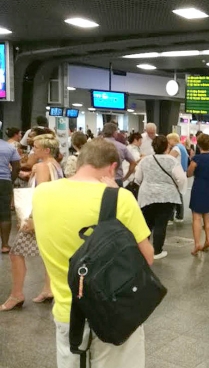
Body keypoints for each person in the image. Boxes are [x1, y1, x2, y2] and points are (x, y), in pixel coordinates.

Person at [33, 138, 153, 367]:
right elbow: (146, 258)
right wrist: (117, 194)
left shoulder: (42, 194)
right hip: (113, 312)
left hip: (67, 311)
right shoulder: (120, 198)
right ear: (112, 168)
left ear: (80, 161)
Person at [1, 134, 63, 311]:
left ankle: (17, 295)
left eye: (35, 147)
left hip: (39, 217)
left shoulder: (42, 166)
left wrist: (32, 218)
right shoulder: (54, 165)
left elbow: (41, 192)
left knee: (16, 253)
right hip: (51, 216)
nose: (32, 150)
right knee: (47, 253)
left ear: (46, 150)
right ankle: (48, 289)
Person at [135, 136, 186, 260]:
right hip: (166, 196)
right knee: (160, 224)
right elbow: (181, 178)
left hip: (147, 195)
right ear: (167, 146)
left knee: (146, 224)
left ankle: (143, 249)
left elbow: (137, 178)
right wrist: (179, 190)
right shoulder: (172, 161)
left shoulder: (145, 160)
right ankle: (157, 251)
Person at [0, 135, 20, 254]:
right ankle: (5, 245)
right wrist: (10, 179)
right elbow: (17, 167)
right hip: (4, 182)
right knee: (5, 213)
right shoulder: (9, 147)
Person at [102, 122, 136, 187]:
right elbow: (133, 163)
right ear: (115, 133)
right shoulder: (122, 147)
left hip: (99, 179)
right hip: (117, 179)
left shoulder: (94, 146)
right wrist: (126, 177)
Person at [167, 133, 189, 222]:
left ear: (173, 140)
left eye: (169, 140)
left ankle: (171, 217)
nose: (168, 141)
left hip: (176, 174)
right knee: (179, 194)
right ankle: (179, 215)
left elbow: (167, 159)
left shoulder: (176, 148)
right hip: (182, 173)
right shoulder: (182, 147)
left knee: (173, 195)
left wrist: (167, 148)